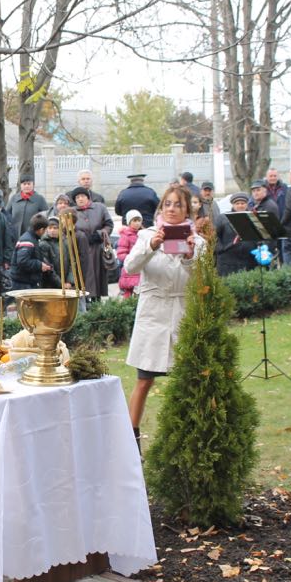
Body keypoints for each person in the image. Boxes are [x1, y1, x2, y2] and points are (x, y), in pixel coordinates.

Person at [124, 186, 204, 448]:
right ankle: (131, 439)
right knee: (144, 379)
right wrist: (151, 245)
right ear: (161, 208)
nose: (171, 209)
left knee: (186, 381)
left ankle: (185, 436)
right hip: (153, 314)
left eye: (177, 205)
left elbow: (201, 278)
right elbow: (130, 266)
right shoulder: (147, 235)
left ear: (187, 210)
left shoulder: (197, 240)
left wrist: (190, 256)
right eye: (167, 204)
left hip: (182, 312)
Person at [69, 186, 113, 301]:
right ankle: (85, 302)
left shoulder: (100, 208)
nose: (80, 199)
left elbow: (109, 224)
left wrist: (100, 234)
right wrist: (81, 236)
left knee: (98, 276)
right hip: (81, 250)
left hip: (98, 248)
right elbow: (68, 229)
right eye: (77, 197)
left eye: (82, 196)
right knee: (84, 277)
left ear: (88, 197)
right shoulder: (72, 212)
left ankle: (96, 301)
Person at [214, 193, 257, 277]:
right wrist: (221, 249)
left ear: (247, 204)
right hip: (228, 261)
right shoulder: (222, 218)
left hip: (248, 260)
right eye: (237, 203)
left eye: (242, 203)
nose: (240, 206)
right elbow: (215, 236)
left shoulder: (253, 217)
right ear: (233, 204)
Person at [11, 213, 51, 291]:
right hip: (23, 283)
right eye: (45, 230)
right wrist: (39, 265)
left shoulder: (33, 239)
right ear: (41, 229)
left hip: (27, 281)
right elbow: (22, 261)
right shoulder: (27, 240)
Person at [38, 215, 73, 290]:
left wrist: (70, 281)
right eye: (49, 228)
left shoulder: (65, 242)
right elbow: (48, 268)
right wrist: (61, 283)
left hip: (66, 284)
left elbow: (72, 263)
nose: (52, 230)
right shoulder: (43, 244)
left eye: (55, 228)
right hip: (49, 285)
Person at [116, 210, 143, 297]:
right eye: (134, 220)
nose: (137, 223)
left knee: (140, 293)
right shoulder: (125, 236)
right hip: (130, 269)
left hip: (140, 268)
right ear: (129, 222)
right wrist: (132, 259)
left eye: (139, 220)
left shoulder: (142, 235)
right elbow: (121, 254)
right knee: (129, 293)